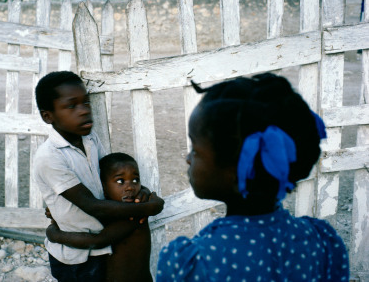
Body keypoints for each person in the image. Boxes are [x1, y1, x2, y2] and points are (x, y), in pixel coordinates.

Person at [157, 73, 349, 281]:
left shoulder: (191, 264)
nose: (188, 158)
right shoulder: (322, 242)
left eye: (195, 149)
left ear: (235, 170)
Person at [34, 71, 164, 281]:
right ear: (48, 116)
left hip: (103, 244)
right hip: (75, 256)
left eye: (86, 103)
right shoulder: (49, 157)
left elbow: (110, 175)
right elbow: (91, 205)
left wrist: (143, 193)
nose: (84, 111)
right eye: (72, 106)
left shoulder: (90, 139)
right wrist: (149, 207)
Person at [46, 152, 153, 282]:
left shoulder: (134, 216)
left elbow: (97, 241)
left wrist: (54, 234)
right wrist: (59, 213)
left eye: (135, 180)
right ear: (103, 187)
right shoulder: (111, 211)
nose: (130, 187)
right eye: (120, 181)